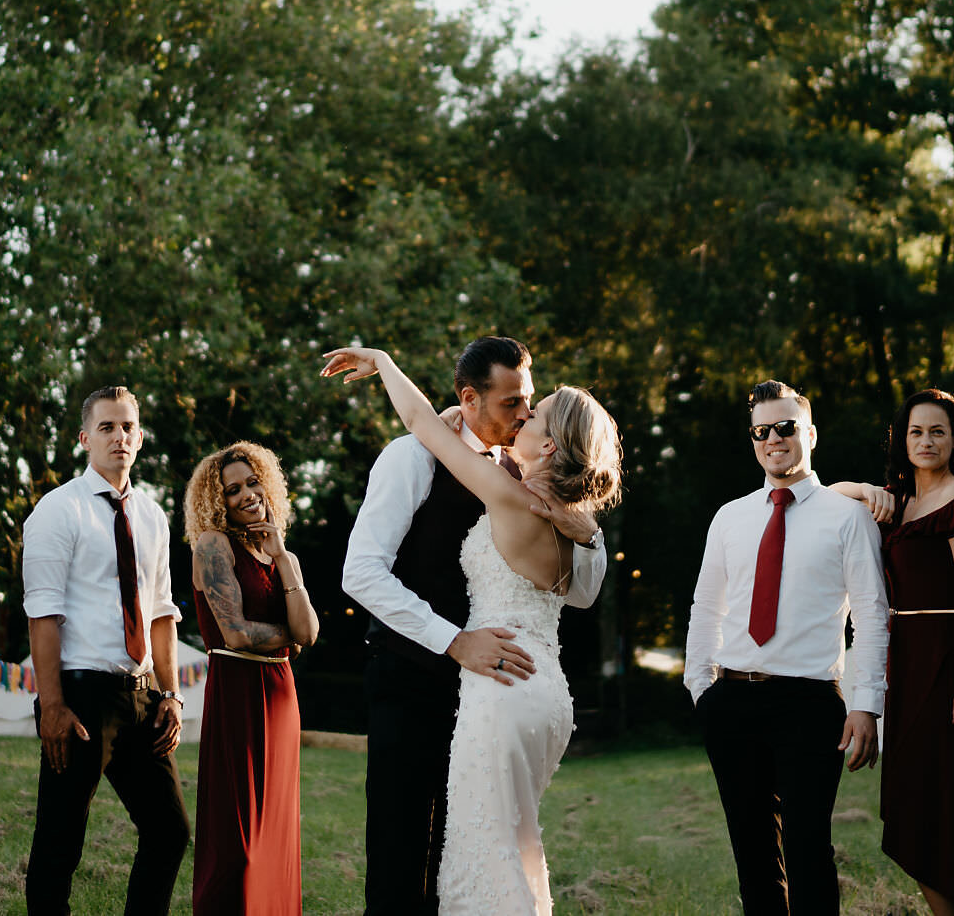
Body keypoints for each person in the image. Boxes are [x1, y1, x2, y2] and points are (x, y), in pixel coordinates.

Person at [322, 343, 622, 916]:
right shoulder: (412, 459)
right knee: (401, 857)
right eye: (513, 403)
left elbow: (581, 593)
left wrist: (589, 535)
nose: (524, 415)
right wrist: (454, 641)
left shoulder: (525, 484)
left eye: (531, 404)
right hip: (413, 681)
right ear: (469, 398)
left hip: (495, 689)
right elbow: (359, 573)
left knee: (466, 853)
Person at [684, 379, 888, 915]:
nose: (774, 439)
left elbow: (871, 616)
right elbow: (706, 609)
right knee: (752, 855)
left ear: (810, 434)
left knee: (808, 852)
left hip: (810, 703)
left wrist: (866, 704)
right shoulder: (730, 517)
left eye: (785, 427)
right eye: (761, 431)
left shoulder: (848, 517)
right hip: (731, 700)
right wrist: (701, 690)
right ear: (752, 440)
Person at [22, 386, 190, 916]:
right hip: (81, 696)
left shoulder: (154, 516)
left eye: (127, 427)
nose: (119, 437)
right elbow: (42, 614)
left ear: (140, 438)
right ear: (85, 438)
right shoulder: (58, 510)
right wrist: (51, 704)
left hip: (142, 697)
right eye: (106, 427)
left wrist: (172, 693)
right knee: (60, 842)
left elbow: (162, 612)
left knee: (170, 831)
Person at [870, 390, 954, 916]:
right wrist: (862, 487)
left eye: (938, 432)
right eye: (916, 432)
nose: (926, 441)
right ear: (902, 441)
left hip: (947, 661)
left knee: (942, 803)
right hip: (904, 660)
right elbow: (829, 495)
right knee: (911, 798)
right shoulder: (898, 502)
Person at [184, 441, 321, 914]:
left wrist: (281, 556)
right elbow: (237, 634)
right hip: (238, 694)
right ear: (216, 500)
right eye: (232, 489)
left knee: (275, 835)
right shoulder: (211, 545)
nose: (247, 495)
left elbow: (312, 632)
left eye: (252, 482)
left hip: (282, 697)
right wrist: (289, 638)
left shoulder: (281, 554)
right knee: (239, 840)